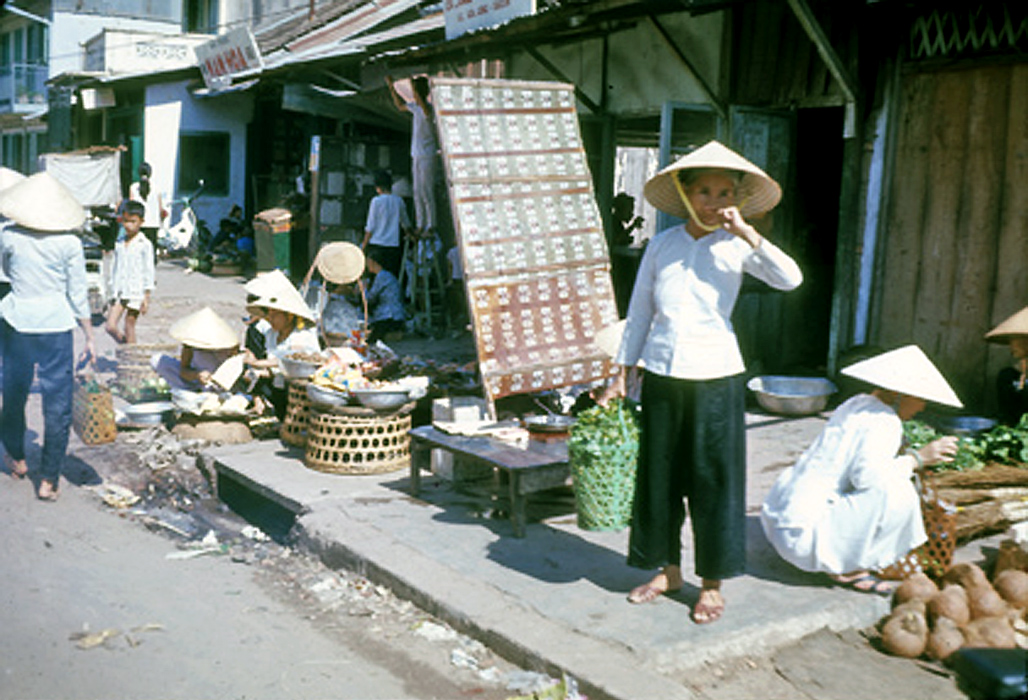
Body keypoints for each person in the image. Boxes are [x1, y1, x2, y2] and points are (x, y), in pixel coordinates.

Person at [600, 141, 803, 624]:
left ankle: (711, 583)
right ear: (686, 194)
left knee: (714, 482)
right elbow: (641, 314)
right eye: (705, 191)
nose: (714, 201)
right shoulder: (661, 245)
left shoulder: (737, 247)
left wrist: (749, 234)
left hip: (717, 379)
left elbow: (790, 279)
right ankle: (667, 570)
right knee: (661, 479)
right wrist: (619, 376)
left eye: (725, 192)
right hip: (665, 376)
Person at [761, 345, 962, 595]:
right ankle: (847, 567)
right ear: (900, 394)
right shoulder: (885, 421)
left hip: (784, 523)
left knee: (893, 480)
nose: (922, 407)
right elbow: (869, 479)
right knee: (899, 493)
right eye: (921, 399)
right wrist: (918, 458)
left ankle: (838, 555)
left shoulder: (857, 403)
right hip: (804, 538)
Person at [0, 172, 96, 501]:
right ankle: (49, 480)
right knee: (57, 405)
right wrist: (89, 335)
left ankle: (17, 458)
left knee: (13, 396)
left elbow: (6, 274)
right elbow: (78, 294)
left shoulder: (8, 236)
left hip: (17, 323)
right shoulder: (70, 242)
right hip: (55, 327)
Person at [243, 272, 321, 420]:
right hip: (279, 385)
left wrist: (258, 363)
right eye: (269, 315)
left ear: (288, 315)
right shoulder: (271, 334)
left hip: (301, 389)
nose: (269, 319)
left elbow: (293, 360)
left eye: (274, 315)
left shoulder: (302, 334)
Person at [386, 75, 438, 237]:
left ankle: (431, 224)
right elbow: (400, 105)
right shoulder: (416, 108)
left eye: (415, 93)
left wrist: (414, 86)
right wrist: (391, 87)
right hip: (416, 155)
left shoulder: (428, 109)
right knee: (417, 191)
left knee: (427, 190)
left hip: (427, 155)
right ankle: (421, 224)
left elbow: (423, 105)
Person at [152, 307, 241, 392]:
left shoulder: (228, 344)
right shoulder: (190, 343)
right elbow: (184, 370)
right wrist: (197, 375)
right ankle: (188, 390)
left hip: (218, 383)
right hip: (197, 378)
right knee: (158, 360)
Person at [105, 200, 155, 344]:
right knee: (110, 326)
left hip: (135, 291)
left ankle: (132, 357)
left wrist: (146, 297)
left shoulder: (144, 244)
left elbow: (148, 270)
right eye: (125, 221)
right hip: (119, 291)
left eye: (133, 221)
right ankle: (126, 346)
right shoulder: (119, 242)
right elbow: (114, 266)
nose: (128, 225)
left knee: (129, 325)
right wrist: (111, 289)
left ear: (141, 222)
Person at [361, 170, 411, 279]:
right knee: (391, 279)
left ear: (378, 187)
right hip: (393, 247)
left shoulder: (376, 201)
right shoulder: (399, 201)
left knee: (376, 279)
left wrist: (363, 245)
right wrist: (410, 234)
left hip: (377, 246)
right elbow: (406, 224)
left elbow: (370, 227)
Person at [984, 306, 1028, 425]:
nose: (1012, 347)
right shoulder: (1008, 376)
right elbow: (1007, 412)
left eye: (1017, 341)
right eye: (1010, 341)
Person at [364, 255, 406, 343]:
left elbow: (370, 298)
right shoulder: (385, 275)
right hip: (391, 315)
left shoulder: (382, 276)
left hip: (390, 316)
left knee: (369, 337)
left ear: (373, 262)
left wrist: (364, 289)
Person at [127, 162, 166, 254]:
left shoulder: (133, 187)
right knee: (151, 252)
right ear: (150, 173)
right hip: (153, 224)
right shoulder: (157, 188)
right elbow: (161, 209)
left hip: (138, 224)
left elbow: (131, 207)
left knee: (137, 252)